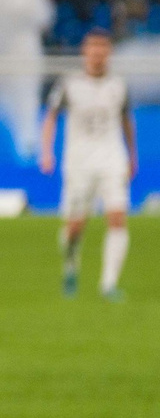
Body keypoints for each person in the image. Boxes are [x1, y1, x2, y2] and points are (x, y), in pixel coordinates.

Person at [40, 29, 137, 300]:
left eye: (102, 47)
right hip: (78, 162)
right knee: (75, 226)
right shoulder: (69, 84)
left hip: (112, 158)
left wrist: (132, 156)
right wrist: (46, 152)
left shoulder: (119, 85)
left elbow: (127, 121)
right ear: (85, 51)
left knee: (117, 217)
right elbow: (51, 118)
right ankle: (70, 266)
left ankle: (109, 284)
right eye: (93, 47)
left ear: (109, 52)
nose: (97, 53)